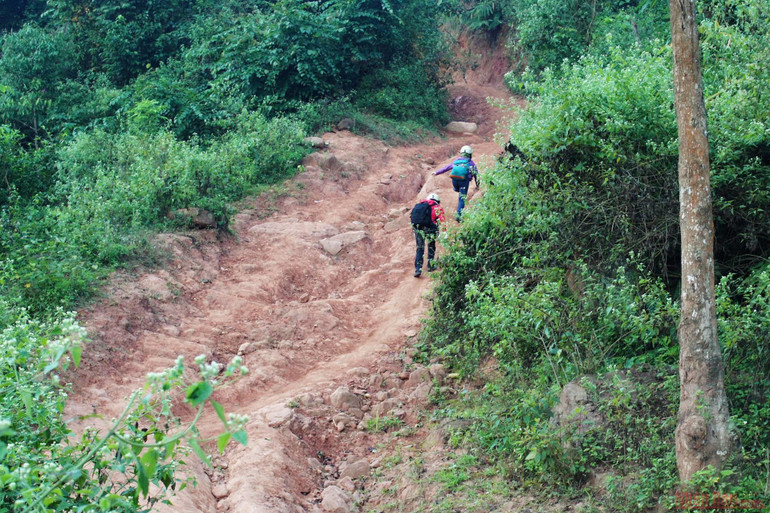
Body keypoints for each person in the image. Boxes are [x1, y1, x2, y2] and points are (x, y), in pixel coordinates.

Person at [433, 145, 479, 222]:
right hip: (464, 181)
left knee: (457, 188)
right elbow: (476, 174)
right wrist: (478, 185)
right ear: (470, 154)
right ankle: (459, 216)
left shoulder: (456, 161)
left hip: (454, 181)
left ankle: (456, 188)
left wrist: (436, 172)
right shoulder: (471, 163)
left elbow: (446, 168)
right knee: (462, 199)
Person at [409, 192, 445, 278]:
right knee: (431, 246)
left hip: (418, 228)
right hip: (430, 228)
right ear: (437, 201)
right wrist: (444, 232)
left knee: (420, 248)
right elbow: (442, 220)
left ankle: (418, 269)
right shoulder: (437, 207)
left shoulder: (420, 205)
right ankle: (430, 265)